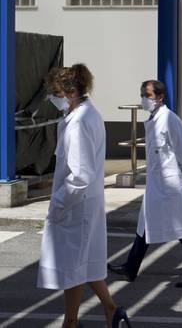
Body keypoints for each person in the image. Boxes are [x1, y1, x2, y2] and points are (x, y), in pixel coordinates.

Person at [38, 64, 130, 328]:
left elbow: (79, 176)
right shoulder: (88, 114)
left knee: (73, 268)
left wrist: (57, 204)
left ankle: (70, 322)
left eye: (56, 92)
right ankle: (111, 310)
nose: (52, 98)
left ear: (70, 92)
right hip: (86, 204)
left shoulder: (78, 122)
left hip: (75, 206)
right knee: (85, 264)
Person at [108, 80, 182, 288]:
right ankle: (130, 267)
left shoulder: (170, 120)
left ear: (160, 97)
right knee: (145, 224)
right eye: (142, 95)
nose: (144, 99)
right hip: (156, 183)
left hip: (170, 184)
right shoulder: (154, 119)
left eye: (148, 95)